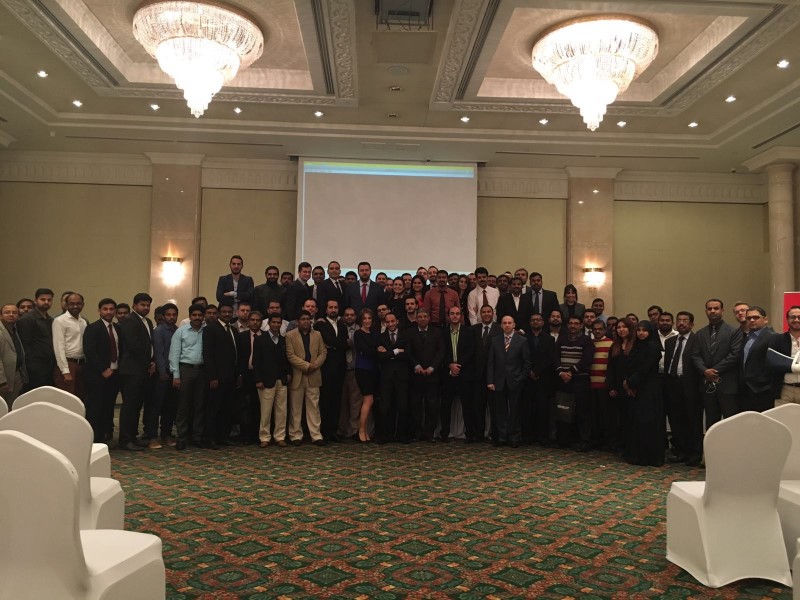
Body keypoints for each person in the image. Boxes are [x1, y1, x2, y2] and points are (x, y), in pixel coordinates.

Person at [690, 298, 743, 427]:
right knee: (711, 423)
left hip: (727, 386)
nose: (713, 311)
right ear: (706, 311)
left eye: (716, 308)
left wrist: (713, 371)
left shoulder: (734, 332)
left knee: (731, 423)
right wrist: (704, 371)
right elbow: (695, 355)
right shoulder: (700, 333)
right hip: (707, 386)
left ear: (722, 310)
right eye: (709, 309)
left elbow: (734, 355)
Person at [622, 321, 665, 467]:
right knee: (636, 421)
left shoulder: (653, 347)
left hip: (649, 389)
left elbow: (646, 368)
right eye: (639, 330)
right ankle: (636, 455)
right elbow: (629, 366)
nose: (641, 333)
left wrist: (630, 382)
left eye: (644, 330)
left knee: (647, 422)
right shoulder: (636, 346)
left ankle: (649, 457)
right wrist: (627, 382)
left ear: (650, 332)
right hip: (636, 388)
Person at [117, 293, 156, 451]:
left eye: (148, 305)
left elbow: (149, 345)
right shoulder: (129, 321)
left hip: (143, 369)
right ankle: (125, 440)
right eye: (142, 305)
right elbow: (134, 346)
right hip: (132, 369)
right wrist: (148, 363)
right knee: (130, 406)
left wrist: (152, 361)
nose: (145, 308)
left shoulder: (148, 321)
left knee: (137, 405)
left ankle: (132, 437)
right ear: (134, 305)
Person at [487, 315, 531, 447]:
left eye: (509, 323)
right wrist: (490, 381)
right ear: (501, 325)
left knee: (515, 410)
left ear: (514, 325)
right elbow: (491, 362)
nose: (507, 325)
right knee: (500, 411)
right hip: (498, 381)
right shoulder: (495, 340)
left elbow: (526, 363)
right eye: (504, 323)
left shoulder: (522, 340)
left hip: (515, 381)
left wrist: (520, 378)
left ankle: (514, 437)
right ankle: (502, 437)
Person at [664, 311, 701, 466]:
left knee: (692, 420)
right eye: (679, 320)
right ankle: (680, 452)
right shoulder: (670, 342)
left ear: (692, 324)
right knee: (676, 420)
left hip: (690, 384)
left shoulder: (697, 340)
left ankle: (694, 454)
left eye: (685, 320)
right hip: (672, 383)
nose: (681, 323)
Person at [285, 310, 328, 446]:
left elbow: (323, 352)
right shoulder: (290, 335)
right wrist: (306, 366)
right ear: (298, 321)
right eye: (303, 319)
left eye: (308, 319)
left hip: (314, 374)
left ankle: (316, 435)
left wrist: (314, 366)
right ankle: (295, 435)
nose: (306, 321)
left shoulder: (317, 334)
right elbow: (290, 355)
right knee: (295, 408)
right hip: (297, 375)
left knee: (314, 407)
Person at [170, 304, 207, 450]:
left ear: (203, 317)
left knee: (200, 405)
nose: (197, 318)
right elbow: (174, 354)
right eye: (194, 315)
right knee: (183, 406)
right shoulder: (181, 331)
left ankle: (197, 437)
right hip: (185, 370)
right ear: (190, 316)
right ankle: (182, 438)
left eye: (200, 315)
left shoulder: (207, 330)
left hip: (202, 371)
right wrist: (176, 375)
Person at [554, 316, 594, 451]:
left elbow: (587, 359)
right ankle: (564, 440)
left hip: (580, 380)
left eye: (576, 323)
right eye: (571, 323)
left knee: (582, 412)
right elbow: (555, 357)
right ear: (567, 325)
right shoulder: (562, 339)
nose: (573, 326)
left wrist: (570, 371)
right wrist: (561, 372)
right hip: (563, 380)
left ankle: (584, 441)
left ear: (581, 325)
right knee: (564, 409)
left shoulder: (586, 340)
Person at [202, 303, 239, 446]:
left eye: (229, 312)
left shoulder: (233, 330)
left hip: (231, 376)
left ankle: (222, 436)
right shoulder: (210, 329)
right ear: (218, 313)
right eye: (224, 312)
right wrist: (212, 377)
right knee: (213, 409)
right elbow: (208, 354)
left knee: (226, 408)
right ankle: (210, 438)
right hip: (216, 377)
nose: (227, 314)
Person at [406, 309, 444, 442]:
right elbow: (408, 352)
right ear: (416, 319)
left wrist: (432, 367)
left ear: (429, 318)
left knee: (432, 406)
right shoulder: (410, 333)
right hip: (416, 375)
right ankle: (416, 433)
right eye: (420, 317)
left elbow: (441, 352)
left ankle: (429, 433)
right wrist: (416, 365)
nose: (422, 319)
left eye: (424, 316)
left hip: (432, 375)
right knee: (415, 405)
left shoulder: (437, 332)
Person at [253, 313, 291, 448]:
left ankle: (280, 437)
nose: (276, 325)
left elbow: (287, 359)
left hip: (281, 380)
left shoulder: (283, 340)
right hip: (265, 381)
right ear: (268, 323)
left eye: (278, 323)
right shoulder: (260, 339)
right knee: (266, 411)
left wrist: (288, 373)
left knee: (282, 411)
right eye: (273, 322)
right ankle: (264, 437)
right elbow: (256, 361)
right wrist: (258, 379)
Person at [315, 299, 348, 443]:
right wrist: (338, 344)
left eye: (335, 307)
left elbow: (345, 344)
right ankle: (324, 431)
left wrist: (335, 345)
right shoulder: (320, 324)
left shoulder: (342, 325)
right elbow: (328, 340)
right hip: (326, 368)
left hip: (340, 368)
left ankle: (334, 431)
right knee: (325, 400)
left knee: (337, 400)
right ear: (326, 309)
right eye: (331, 307)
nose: (333, 310)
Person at [440, 306, 475, 442]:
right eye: (452, 313)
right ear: (448, 316)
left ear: (461, 316)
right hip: (447, 374)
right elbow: (441, 351)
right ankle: (444, 434)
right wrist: (450, 365)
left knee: (467, 405)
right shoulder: (442, 332)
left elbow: (471, 351)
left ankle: (470, 434)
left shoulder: (468, 331)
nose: (455, 316)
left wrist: (458, 366)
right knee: (445, 405)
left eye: (457, 314)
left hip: (464, 373)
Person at [149, 302, 179, 449]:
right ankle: (152, 437)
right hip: (162, 374)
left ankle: (166, 434)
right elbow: (158, 353)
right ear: (164, 316)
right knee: (156, 406)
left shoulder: (178, 330)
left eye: (174, 315)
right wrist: (162, 372)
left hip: (174, 373)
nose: (171, 317)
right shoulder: (159, 331)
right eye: (168, 315)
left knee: (170, 406)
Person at [377, 312, 409, 443]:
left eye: (392, 321)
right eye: (388, 322)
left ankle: (402, 435)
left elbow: (407, 354)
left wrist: (389, 353)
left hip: (402, 376)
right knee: (385, 407)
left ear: (397, 321)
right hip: (386, 377)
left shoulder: (405, 335)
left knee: (403, 406)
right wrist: (397, 351)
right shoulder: (380, 337)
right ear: (385, 323)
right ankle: (386, 435)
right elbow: (380, 356)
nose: (390, 324)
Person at [16, 288, 55, 391]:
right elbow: (24, 346)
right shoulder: (27, 319)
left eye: (49, 300)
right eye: (43, 299)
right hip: (34, 367)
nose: (46, 302)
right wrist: (31, 367)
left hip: (49, 365)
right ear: (35, 300)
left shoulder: (50, 319)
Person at [525, 312, 555, 446]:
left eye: (538, 320)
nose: (535, 322)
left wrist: (537, 371)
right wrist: (530, 371)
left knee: (543, 409)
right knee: (528, 408)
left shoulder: (549, 339)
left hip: (543, 379)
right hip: (527, 379)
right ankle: (529, 436)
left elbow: (550, 358)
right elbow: (522, 357)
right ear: (530, 323)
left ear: (543, 322)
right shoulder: (523, 338)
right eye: (533, 320)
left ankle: (543, 437)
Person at [606, 318, 636, 454]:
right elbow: (610, 368)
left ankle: (630, 445)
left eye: (624, 327)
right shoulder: (615, 346)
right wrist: (611, 387)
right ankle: (619, 444)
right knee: (618, 418)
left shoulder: (635, 345)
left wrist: (630, 384)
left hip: (631, 386)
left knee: (631, 417)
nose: (621, 330)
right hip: (617, 387)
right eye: (618, 327)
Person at [472, 305, 501, 442]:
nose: (486, 314)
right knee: (478, 407)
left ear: (493, 313)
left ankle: (495, 435)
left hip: (494, 376)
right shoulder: (473, 329)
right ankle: (479, 434)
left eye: (489, 312)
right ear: (480, 314)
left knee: (495, 407)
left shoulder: (500, 329)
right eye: (483, 312)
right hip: (477, 376)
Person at [234, 311, 263, 444]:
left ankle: (257, 434)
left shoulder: (266, 336)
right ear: (248, 321)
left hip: (261, 376)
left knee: (259, 406)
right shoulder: (241, 336)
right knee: (245, 406)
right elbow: (238, 357)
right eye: (252, 320)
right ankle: (245, 435)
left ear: (261, 322)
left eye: (258, 320)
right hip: (246, 375)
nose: (255, 322)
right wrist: (239, 374)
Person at [51, 292, 88, 399]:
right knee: (67, 399)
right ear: (66, 305)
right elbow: (59, 347)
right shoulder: (59, 321)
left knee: (80, 398)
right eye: (71, 304)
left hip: (81, 365)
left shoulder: (83, 322)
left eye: (78, 303)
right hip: (68, 365)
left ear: (83, 305)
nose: (75, 306)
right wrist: (65, 371)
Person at [739, 306, 775, 412]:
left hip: (763, 390)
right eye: (749, 318)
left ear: (765, 319)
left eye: (755, 317)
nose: (752, 320)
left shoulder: (773, 337)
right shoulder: (747, 337)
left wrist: (766, 384)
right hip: (745, 390)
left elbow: (774, 365)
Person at [353, 308, 379, 442]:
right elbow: (366, 350)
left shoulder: (374, 333)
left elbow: (374, 348)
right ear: (361, 320)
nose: (367, 321)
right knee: (368, 400)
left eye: (369, 318)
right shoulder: (358, 334)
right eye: (365, 318)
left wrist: (375, 349)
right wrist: (377, 350)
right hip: (362, 369)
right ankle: (361, 430)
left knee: (370, 401)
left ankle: (365, 430)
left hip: (373, 369)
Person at [588, 319, 613, 450]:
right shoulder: (589, 343)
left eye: (600, 329)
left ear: (605, 330)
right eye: (595, 329)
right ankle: (595, 440)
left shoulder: (611, 343)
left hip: (605, 385)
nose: (597, 331)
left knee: (606, 415)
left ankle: (607, 442)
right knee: (593, 415)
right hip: (591, 384)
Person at [768, 306, 800, 406]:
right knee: (782, 416)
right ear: (787, 320)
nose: (796, 320)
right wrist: (794, 367)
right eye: (793, 317)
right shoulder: (777, 339)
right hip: (785, 390)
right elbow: (772, 363)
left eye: (799, 317)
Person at [0, 303, 27, 407]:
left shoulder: (15, 330)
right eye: (7, 312)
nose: (11, 315)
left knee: (12, 405)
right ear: (1, 315)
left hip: (16, 374)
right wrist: (2, 380)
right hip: (4, 377)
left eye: (14, 312)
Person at [340, 307, 361, 438]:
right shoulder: (339, 328)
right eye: (347, 315)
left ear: (355, 316)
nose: (349, 317)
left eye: (352, 315)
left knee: (355, 402)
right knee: (342, 402)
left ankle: (354, 430)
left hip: (355, 369)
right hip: (341, 370)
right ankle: (342, 429)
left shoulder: (360, 329)